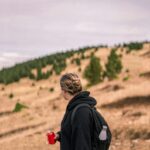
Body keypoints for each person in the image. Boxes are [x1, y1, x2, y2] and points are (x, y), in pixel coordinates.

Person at [55, 73, 97, 150]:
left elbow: (82, 144)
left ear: (64, 90)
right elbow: (74, 131)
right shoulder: (75, 107)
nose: (61, 92)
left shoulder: (81, 112)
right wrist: (59, 136)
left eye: (61, 88)